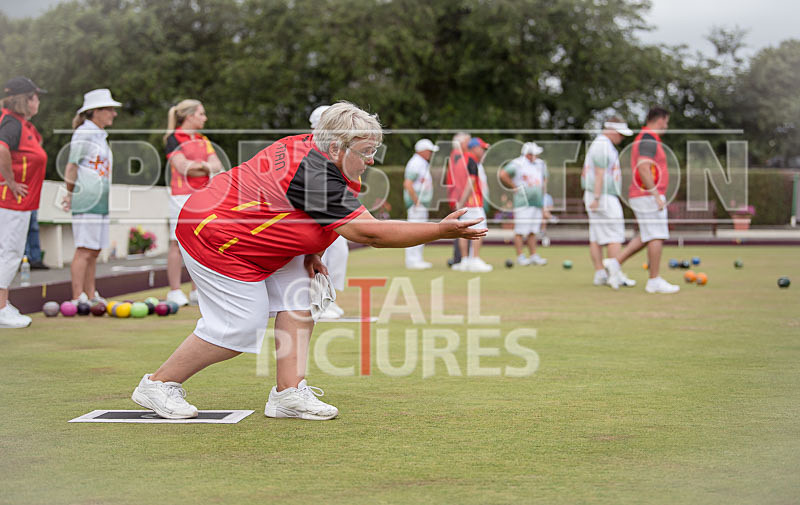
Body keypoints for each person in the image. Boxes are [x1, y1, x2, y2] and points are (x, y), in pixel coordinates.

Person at [130, 102, 487, 420]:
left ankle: (288, 393)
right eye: (366, 151)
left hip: (236, 227)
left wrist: (312, 249)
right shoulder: (316, 176)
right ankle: (158, 384)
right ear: (336, 146)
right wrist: (441, 230)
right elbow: (370, 234)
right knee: (239, 327)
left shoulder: (309, 145)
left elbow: (290, 208)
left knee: (302, 295)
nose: (371, 160)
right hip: (214, 237)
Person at [605, 107, 679, 294]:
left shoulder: (647, 138)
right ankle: (654, 280)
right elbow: (644, 168)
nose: (666, 126)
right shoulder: (648, 138)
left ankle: (615, 263)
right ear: (660, 119)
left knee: (647, 235)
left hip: (643, 195)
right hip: (647, 195)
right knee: (656, 235)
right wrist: (655, 194)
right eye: (666, 121)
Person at [62, 89, 121, 304]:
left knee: (95, 250)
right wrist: (69, 194)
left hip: (100, 201)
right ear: (96, 111)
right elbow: (72, 166)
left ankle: (90, 293)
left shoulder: (100, 136)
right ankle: (78, 296)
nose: (114, 114)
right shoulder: (84, 133)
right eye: (110, 109)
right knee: (85, 248)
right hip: (86, 199)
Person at [163, 99, 224, 306]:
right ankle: (174, 291)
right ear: (189, 116)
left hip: (203, 195)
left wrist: (200, 166)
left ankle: (197, 290)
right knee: (177, 242)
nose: (204, 118)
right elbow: (182, 167)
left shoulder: (203, 139)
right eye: (201, 114)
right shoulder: (173, 138)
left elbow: (218, 165)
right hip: (181, 196)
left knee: (201, 241)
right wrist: (206, 166)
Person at [0, 77, 47, 328]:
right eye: (36, 97)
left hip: (20, 202)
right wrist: (10, 181)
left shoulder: (22, 125)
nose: (38, 101)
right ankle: (0, 308)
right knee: (10, 253)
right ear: (26, 99)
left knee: (9, 252)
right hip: (12, 200)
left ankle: (3, 304)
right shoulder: (11, 123)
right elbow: (1, 149)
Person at [581, 118, 636, 287]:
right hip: (603, 196)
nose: (621, 138)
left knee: (597, 236)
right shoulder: (603, 145)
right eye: (620, 134)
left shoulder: (602, 144)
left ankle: (601, 274)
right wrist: (597, 198)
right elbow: (599, 173)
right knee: (614, 235)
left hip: (597, 195)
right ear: (612, 130)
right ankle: (614, 273)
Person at [311, 105, 349, 319]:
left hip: (332, 209)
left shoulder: (336, 147)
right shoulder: (316, 147)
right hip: (318, 210)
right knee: (317, 256)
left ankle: (328, 299)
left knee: (339, 252)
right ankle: (317, 301)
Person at [499, 142, 548, 266]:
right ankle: (521, 256)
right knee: (520, 231)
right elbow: (503, 174)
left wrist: (543, 201)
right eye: (534, 154)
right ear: (528, 154)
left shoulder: (540, 164)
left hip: (536, 202)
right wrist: (514, 187)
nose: (536, 156)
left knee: (533, 230)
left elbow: (544, 181)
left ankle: (533, 255)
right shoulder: (517, 164)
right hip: (523, 202)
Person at [452, 137, 492, 272]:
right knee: (479, 228)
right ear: (474, 148)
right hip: (473, 202)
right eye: (482, 148)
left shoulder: (459, 160)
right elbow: (471, 182)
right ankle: (474, 259)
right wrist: (463, 201)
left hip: (464, 202)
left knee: (463, 231)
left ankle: (464, 261)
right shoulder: (471, 160)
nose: (483, 152)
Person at [403, 138, 439, 269]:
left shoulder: (422, 163)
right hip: (416, 204)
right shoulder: (415, 163)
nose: (431, 153)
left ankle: (417, 259)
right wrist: (416, 201)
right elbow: (407, 184)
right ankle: (412, 260)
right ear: (422, 151)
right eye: (429, 151)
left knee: (420, 232)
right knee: (414, 232)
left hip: (421, 204)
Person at [446, 132, 470, 268]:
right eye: (467, 142)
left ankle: (459, 257)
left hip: (457, 197)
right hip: (458, 197)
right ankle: (459, 258)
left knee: (461, 226)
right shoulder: (457, 156)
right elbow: (459, 181)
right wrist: (459, 199)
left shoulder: (456, 155)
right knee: (460, 227)